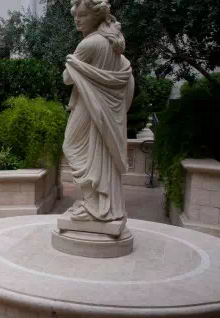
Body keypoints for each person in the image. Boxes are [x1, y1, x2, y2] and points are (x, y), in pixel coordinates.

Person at [62, 0, 134, 222]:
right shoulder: (113, 43)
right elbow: (126, 75)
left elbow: (67, 78)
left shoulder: (89, 44)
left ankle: (92, 203)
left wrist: (73, 64)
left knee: (72, 146)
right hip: (108, 109)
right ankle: (101, 203)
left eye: (82, 15)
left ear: (96, 16)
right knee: (98, 152)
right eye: (76, 14)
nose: (77, 19)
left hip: (89, 104)